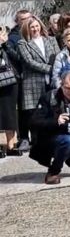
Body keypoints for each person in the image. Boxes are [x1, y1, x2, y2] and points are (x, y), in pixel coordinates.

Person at [17, 17, 60, 151]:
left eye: (37, 26)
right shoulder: (22, 43)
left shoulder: (51, 40)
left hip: (51, 81)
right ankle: (36, 141)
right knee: (34, 113)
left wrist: (55, 70)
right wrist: (50, 68)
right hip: (33, 82)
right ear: (27, 29)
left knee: (52, 110)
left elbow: (57, 56)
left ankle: (52, 139)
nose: (35, 29)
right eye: (32, 27)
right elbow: (29, 62)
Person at [0, 26, 20, 157]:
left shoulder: (8, 43)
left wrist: (5, 44)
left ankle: (11, 145)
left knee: (10, 114)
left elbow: (17, 58)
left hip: (9, 82)